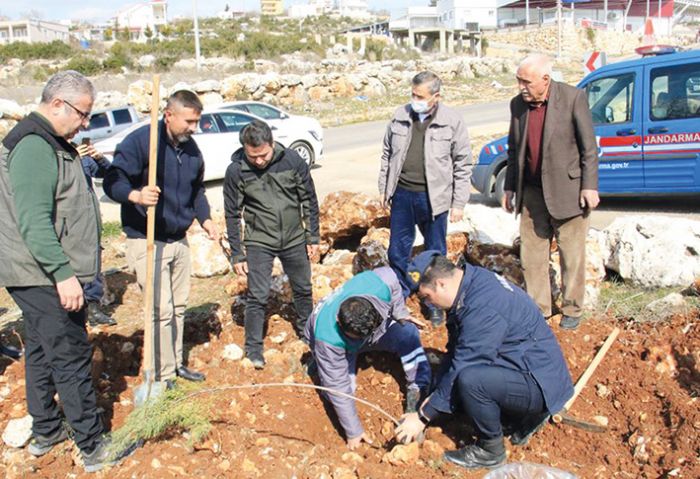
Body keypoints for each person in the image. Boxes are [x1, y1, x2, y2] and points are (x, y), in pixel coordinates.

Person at [0, 70, 135, 471]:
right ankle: (93, 446)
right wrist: (63, 274)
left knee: (41, 349)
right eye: (82, 114)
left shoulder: (49, 141)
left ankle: (46, 429)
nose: (85, 123)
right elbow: (34, 220)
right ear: (58, 103)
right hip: (43, 273)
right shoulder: (35, 146)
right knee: (71, 355)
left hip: (35, 271)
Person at [394, 251, 574, 470]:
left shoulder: (481, 306)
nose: (428, 305)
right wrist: (432, 401)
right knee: (462, 382)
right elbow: (456, 351)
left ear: (440, 284)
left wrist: (422, 417)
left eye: (426, 298)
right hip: (524, 366)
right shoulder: (470, 283)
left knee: (471, 380)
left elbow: (465, 363)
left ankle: (491, 449)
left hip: (540, 383)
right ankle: (514, 416)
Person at [103, 90, 217, 383]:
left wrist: (205, 219)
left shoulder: (191, 150)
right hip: (147, 238)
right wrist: (136, 195)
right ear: (169, 115)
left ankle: (175, 364)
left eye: (197, 121)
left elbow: (196, 191)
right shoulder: (142, 143)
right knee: (160, 310)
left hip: (178, 239)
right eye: (189, 121)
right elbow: (112, 181)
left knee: (178, 308)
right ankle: (161, 374)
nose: (194, 128)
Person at [501, 54, 599, 330]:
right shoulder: (517, 105)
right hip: (532, 192)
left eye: (526, 81)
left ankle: (572, 308)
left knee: (572, 256)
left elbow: (588, 148)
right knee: (531, 256)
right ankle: (539, 310)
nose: (521, 86)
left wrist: (589, 186)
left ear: (545, 80)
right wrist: (510, 186)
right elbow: (513, 149)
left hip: (568, 190)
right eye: (518, 80)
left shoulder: (572, 98)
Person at [378, 71, 472, 326]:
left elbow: (463, 163)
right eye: (412, 94)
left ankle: (434, 303)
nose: (414, 99)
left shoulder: (452, 121)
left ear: (436, 97)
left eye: (420, 96)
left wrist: (458, 203)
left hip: (435, 199)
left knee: (435, 253)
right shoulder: (400, 115)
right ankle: (401, 297)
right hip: (403, 195)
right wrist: (385, 189)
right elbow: (387, 154)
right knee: (397, 251)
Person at [224, 119, 319, 369]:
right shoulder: (236, 171)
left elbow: (309, 199)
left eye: (263, 155)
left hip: (294, 237)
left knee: (303, 288)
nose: (258, 161)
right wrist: (237, 253)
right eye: (252, 156)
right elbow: (232, 214)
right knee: (257, 295)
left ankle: (308, 334)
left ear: (272, 143)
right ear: (245, 148)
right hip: (259, 241)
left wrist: (313, 237)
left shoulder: (292, 162)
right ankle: (253, 348)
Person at [305, 266, 430, 450]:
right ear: (340, 322)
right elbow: (339, 389)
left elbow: (392, 280)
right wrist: (354, 432)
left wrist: (400, 313)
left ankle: (417, 391)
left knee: (408, 333)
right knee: (338, 391)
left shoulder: (380, 284)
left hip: (367, 334)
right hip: (335, 346)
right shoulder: (328, 338)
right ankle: (323, 361)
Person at [75, 142, 116, 327]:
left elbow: (107, 173)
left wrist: (98, 157)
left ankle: (93, 309)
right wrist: (73, 158)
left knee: (94, 262)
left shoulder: (83, 158)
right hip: (71, 223)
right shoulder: (55, 155)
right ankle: (77, 312)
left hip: (90, 218)